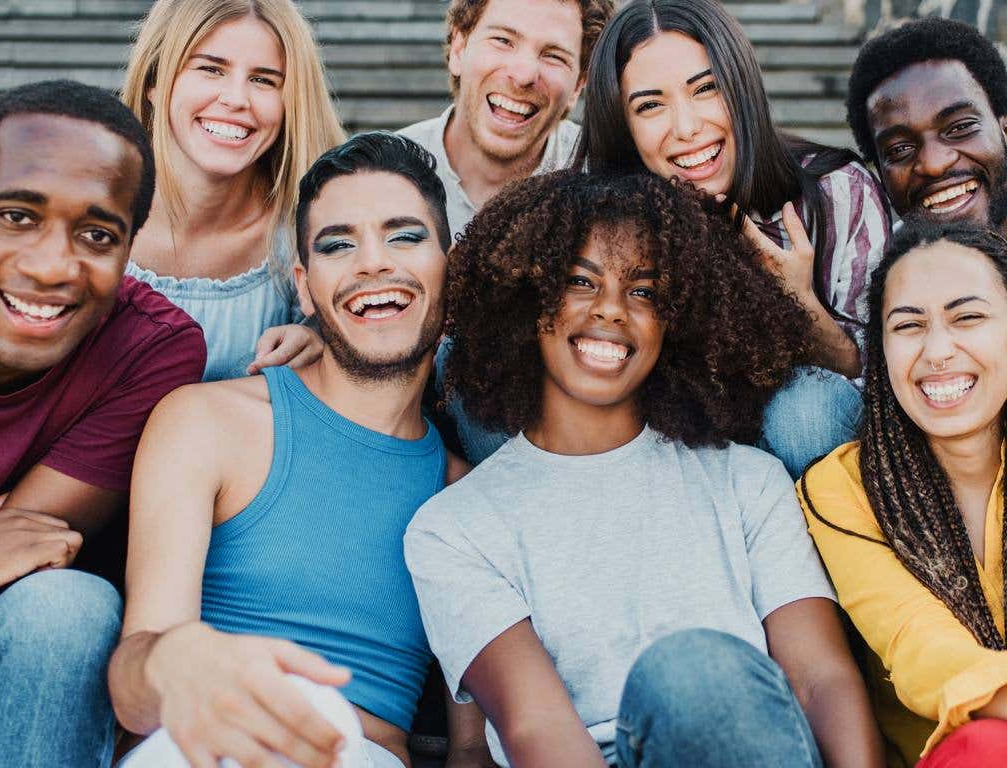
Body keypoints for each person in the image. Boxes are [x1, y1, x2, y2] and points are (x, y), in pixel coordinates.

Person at [405, 170, 884, 768]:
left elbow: (820, 681)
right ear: (526, 301)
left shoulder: (749, 482)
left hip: (749, 750)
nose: (611, 309)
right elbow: (534, 728)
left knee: (693, 677)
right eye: (580, 281)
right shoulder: (454, 527)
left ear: (676, 320)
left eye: (644, 291)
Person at [109, 133, 490, 768]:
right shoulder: (207, 422)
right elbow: (132, 692)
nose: (372, 263)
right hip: (203, 747)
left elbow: (471, 748)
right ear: (305, 286)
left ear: (451, 268)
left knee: (327, 717)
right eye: (338, 244)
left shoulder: (465, 494)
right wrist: (172, 661)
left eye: (404, 236)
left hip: (361, 756)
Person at [573, 0, 893, 478]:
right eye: (650, 105)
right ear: (622, 124)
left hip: (806, 451)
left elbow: (880, 376)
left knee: (805, 415)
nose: (687, 128)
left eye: (706, 89)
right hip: (667, 450)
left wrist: (798, 305)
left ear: (739, 85)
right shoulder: (605, 218)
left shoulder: (836, 190)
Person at [0, 80, 206, 768]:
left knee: (65, 608)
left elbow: (28, 542)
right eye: (16, 216)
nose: (52, 266)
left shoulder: (151, 346)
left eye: (96, 234)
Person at [799, 222, 1007, 768]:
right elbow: (919, 645)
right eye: (908, 325)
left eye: (968, 317)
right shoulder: (840, 488)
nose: (938, 350)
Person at [122, 0, 347, 381]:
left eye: (263, 79)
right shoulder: (87, 214)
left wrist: (322, 344)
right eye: (211, 69)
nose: (236, 99)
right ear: (154, 84)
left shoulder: (304, 231)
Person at [399, 0, 614, 242]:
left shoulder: (610, 185)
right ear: (459, 48)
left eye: (554, 56)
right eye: (503, 40)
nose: (523, 75)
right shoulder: (384, 173)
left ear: (577, 87)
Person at [846, 17, 1007, 230]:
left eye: (960, 127)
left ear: (1004, 128)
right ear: (880, 174)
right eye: (900, 149)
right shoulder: (875, 261)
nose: (934, 165)